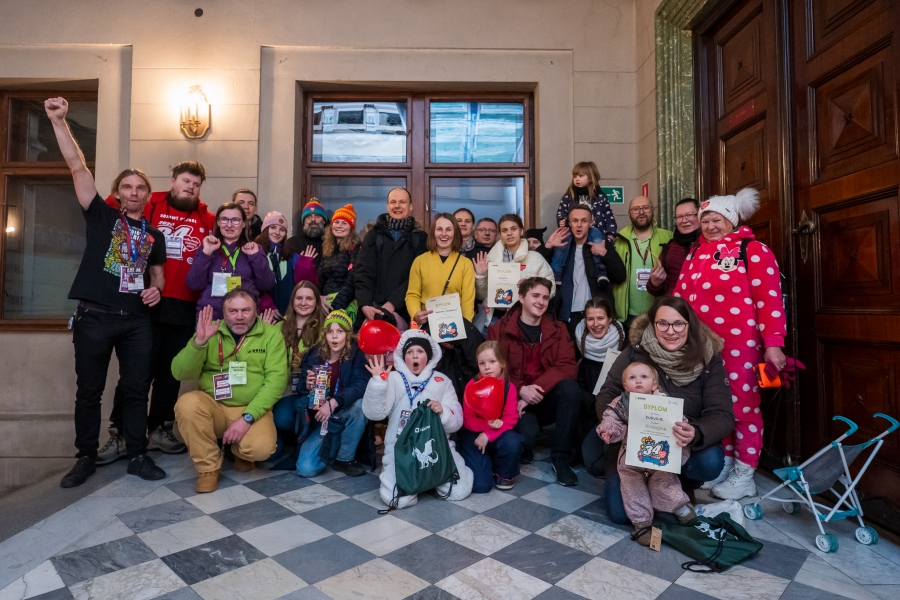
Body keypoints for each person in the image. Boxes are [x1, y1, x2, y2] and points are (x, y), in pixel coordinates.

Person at [45, 96, 168, 488]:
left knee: (135, 389)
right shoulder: (100, 214)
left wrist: (155, 292)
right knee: (89, 391)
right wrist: (60, 121)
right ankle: (85, 457)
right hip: (94, 316)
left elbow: (159, 277)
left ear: (149, 195)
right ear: (117, 192)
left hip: (135, 321)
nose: (134, 192)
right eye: (127, 187)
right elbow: (77, 166)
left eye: (141, 188)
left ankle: (137, 454)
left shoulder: (154, 234)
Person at [675, 187, 787, 500]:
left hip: (742, 348)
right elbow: (680, 297)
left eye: (717, 219)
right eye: (705, 220)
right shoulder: (695, 253)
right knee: (717, 406)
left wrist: (774, 344)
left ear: (731, 220)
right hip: (702, 348)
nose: (710, 226)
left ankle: (745, 472)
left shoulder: (752, 251)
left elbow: (770, 301)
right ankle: (723, 464)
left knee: (744, 407)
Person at [100, 161, 215, 463]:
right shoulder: (152, 203)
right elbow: (113, 202)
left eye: (196, 184)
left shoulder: (206, 217)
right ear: (173, 181)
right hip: (147, 301)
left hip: (185, 305)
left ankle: (159, 429)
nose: (190, 187)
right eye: (186, 181)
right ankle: (119, 433)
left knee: (170, 373)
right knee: (137, 371)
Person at [596, 296, 734, 525]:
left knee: (709, 461)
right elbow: (606, 393)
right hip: (631, 451)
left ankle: (678, 485)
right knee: (619, 515)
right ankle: (657, 493)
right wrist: (620, 425)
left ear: (690, 325)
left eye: (678, 323)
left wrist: (695, 432)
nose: (671, 331)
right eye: (663, 323)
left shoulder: (709, 359)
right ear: (653, 324)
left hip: (679, 449)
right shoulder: (634, 352)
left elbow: (723, 414)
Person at [172, 289, 288, 492]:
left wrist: (247, 418)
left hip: (251, 407)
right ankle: (208, 468)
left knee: (261, 449)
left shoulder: (271, 335)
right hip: (214, 406)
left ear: (256, 311)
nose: (240, 316)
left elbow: (276, 381)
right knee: (187, 404)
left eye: (246, 310)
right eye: (233, 311)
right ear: (224, 313)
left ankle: (240, 452)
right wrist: (198, 343)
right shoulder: (210, 332)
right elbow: (179, 372)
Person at [362, 330, 474, 508]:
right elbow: (375, 413)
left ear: (429, 357)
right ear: (402, 356)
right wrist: (378, 383)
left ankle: (429, 480)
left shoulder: (442, 381)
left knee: (458, 490)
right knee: (399, 500)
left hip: (437, 447)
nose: (415, 355)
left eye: (420, 351)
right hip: (401, 450)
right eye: (409, 352)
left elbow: (457, 420)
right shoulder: (393, 378)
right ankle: (420, 481)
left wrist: (443, 411)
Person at [487, 277, 581, 486]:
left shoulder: (558, 329)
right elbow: (493, 371)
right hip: (514, 400)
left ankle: (560, 459)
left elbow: (567, 366)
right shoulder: (498, 331)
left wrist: (532, 392)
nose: (541, 301)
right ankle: (525, 445)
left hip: (543, 397)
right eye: (535, 296)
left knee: (570, 389)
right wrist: (520, 391)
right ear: (521, 297)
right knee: (526, 439)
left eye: (545, 297)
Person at [598, 362, 696, 545]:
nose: (638, 381)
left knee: (665, 485)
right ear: (626, 386)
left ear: (654, 385)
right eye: (632, 378)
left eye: (644, 377)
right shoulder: (620, 404)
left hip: (660, 459)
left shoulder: (666, 403)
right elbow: (610, 419)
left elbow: (680, 421)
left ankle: (682, 509)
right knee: (632, 489)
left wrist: (684, 430)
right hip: (631, 460)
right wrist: (609, 430)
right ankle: (642, 524)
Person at [271, 309, 369, 477]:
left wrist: (333, 403)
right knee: (306, 468)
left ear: (347, 334)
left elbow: (360, 385)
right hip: (318, 419)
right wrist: (307, 386)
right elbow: (301, 389)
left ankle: (344, 458)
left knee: (360, 407)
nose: (335, 336)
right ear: (325, 334)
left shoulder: (355, 354)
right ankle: (330, 443)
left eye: (340, 331)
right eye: (330, 331)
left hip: (341, 412)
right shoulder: (315, 354)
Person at [546, 205, 626, 339]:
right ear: (569, 223)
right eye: (575, 221)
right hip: (567, 317)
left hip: (595, 317)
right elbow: (538, 274)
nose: (579, 225)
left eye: (583, 221)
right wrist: (548, 246)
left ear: (591, 223)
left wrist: (605, 254)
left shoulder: (600, 244)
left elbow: (620, 276)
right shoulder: (561, 246)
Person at [186, 203, 276, 319]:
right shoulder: (207, 248)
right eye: (224, 219)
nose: (229, 225)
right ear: (218, 222)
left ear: (244, 223)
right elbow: (194, 284)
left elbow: (266, 284)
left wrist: (256, 257)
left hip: (244, 318)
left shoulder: (254, 249)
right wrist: (206, 254)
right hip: (211, 318)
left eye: (235, 220)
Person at [354, 188, 427, 327]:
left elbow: (418, 276)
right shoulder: (373, 236)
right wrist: (365, 305)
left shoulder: (420, 239)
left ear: (410, 206)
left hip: (405, 313)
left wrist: (393, 304)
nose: (397, 206)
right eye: (393, 202)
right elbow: (363, 273)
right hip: (372, 310)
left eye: (402, 202)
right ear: (387, 206)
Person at [457, 342, 524, 492]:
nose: (487, 367)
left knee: (513, 441)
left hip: (498, 433)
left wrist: (488, 434)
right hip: (474, 435)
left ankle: (503, 473)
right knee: (481, 486)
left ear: (502, 363)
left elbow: (510, 419)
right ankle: (485, 465)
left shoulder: (509, 387)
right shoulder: (472, 385)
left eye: (492, 362)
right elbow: (468, 419)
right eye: (482, 363)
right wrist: (487, 426)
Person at [474, 213, 554, 329]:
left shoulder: (536, 258)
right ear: (500, 234)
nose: (509, 233)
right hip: (495, 319)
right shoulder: (490, 259)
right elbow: (481, 296)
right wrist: (481, 276)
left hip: (525, 319)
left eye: (513, 229)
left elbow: (551, 289)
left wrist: (531, 287)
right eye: (505, 230)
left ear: (521, 231)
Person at [574, 297, 626, 476]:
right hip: (587, 410)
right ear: (585, 320)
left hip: (616, 412)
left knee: (599, 464)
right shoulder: (577, 340)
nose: (595, 324)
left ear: (610, 319)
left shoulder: (624, 343)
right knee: (588, 462)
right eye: (590, 319)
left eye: (601, 318)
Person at [612, 196, 673, 330]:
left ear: (653, 211)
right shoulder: (619, 240)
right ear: (629, 213)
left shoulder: (669, 237)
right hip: (626, 315)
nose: (641, 212)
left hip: (659, 312)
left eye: (646, 208)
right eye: (636, 209)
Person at [405, 213, 476, 326]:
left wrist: (464, 329)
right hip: (426, 324)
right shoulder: (420, 261)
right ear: (433, 232)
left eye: (448, 230)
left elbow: (467, 302)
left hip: (454, 326)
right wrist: (416, 313)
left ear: (455, 233)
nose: (444, 234)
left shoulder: (465, 264)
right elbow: (412, 295)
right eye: (439, 229)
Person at [256, 211, 318, 317]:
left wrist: (306, 265)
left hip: (289, 314)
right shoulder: (256, 253)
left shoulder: (290, 255)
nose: (277, 232)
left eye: (282, 229)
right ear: (265, 230)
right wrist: (267, 305)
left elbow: (306, 285)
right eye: (273, 227)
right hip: (264, 314)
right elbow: (251, 285)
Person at [647, 198, 701, 297]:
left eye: (689, 215)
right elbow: (654, 290)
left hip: (703, 307)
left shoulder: (710, 243)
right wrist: (654, 283)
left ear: (700, 215)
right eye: (679, 217)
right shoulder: (670, 247)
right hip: (675, 307)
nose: (684, 220)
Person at [555, 161, 618, 243]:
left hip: (594, 228)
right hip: (573, 230)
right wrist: (562, 219)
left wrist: (610, 233)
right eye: (575, 176)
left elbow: (608, 216)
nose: (577, 179)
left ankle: (597, 255)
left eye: (581, 176)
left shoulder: (600, 197)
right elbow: (562, 210)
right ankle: (558, 256)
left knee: (597, 240)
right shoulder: (569, 196)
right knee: (564, 242)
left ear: (591, 178)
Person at [318, 204, 360, 316]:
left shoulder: (355, 248)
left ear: (351, 228)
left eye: (344, 223)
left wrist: (335, 307)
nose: (339, 226)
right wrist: (319, 297)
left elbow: (352, 280)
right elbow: (320, 278)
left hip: (343, 305)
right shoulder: (328, 249)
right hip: (325, 303)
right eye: (336, 222)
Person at [286, 199, 327, 270]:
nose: (313, 220)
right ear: (304, 222)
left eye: (317, 216)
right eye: (308, 217)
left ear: (324, 221)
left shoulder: (331, 244)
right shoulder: (292, 244)